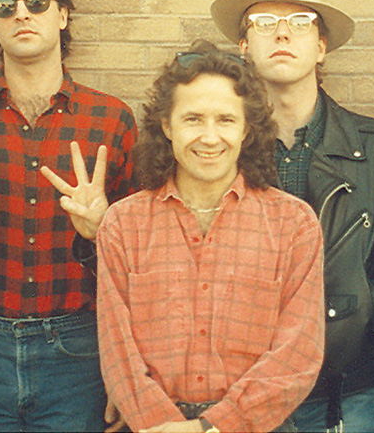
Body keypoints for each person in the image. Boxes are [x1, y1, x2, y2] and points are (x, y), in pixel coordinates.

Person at [211, 0, 374, 432]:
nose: (282, 33)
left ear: (321, 46)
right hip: (237, 394)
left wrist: (355, 308)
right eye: (265, 23)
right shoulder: (218, 148)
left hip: (343, 395)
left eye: (299, 22)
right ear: (244, 46)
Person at [0, 0, 137, 432]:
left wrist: (103, 228)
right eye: (5, 6)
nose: (22, 13)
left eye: (36, 0)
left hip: (76, 349)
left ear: (63, 13)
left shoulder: (112, 119)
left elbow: (146, 258)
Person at [95, 41, 325, 433]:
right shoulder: (123, 224)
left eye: (225, 120)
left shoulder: (294, 224)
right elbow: (118, 351)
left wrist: (212, 427)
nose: (209, 137)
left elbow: (298, 353)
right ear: (167, 125)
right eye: (193, 119)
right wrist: (166, 426)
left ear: (247, 129)